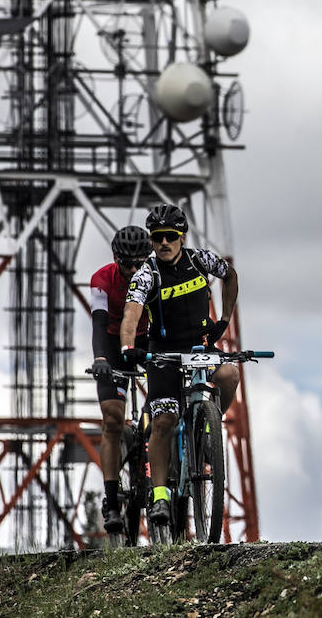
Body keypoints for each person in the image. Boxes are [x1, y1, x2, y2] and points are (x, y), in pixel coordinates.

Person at [119, 203, 240, 527]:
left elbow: (229, 276)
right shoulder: (147, 273)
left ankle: (207, 429)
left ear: (181, 236)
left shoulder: (201, 260)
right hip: (164, 354)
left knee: (229, 374)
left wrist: (225, 319)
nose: (164, 243)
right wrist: (128, 346)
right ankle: (160, 495)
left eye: (170, 236)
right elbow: (131, 312)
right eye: (157, 238)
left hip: (198, 345)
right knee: (163, 419)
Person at [89, 225, 153, 535]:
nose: (134, 270)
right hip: (113, 347)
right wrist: (101, 358)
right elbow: (99, 324)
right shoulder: (102, 280)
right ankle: (112, 500)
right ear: (116, 260)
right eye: (127, 264)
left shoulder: (155, 275)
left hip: (147, 343)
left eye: (140, 263)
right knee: (113, 420)